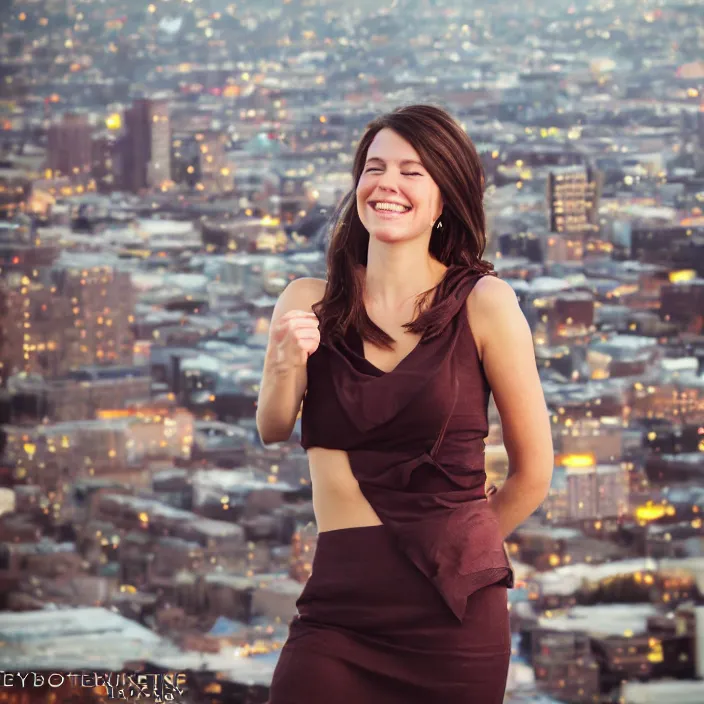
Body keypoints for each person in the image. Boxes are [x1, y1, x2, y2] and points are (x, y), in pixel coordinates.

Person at [256, 104, 554, 704]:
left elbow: (534, 473)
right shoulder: (308, 299)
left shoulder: (485, 304)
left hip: (452, 615)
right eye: (375, 168)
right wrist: (288, 360)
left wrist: (458, 554)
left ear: (446, 196)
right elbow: (272, 426)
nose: (387, 184)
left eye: (412, 171)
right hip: (338, 606)